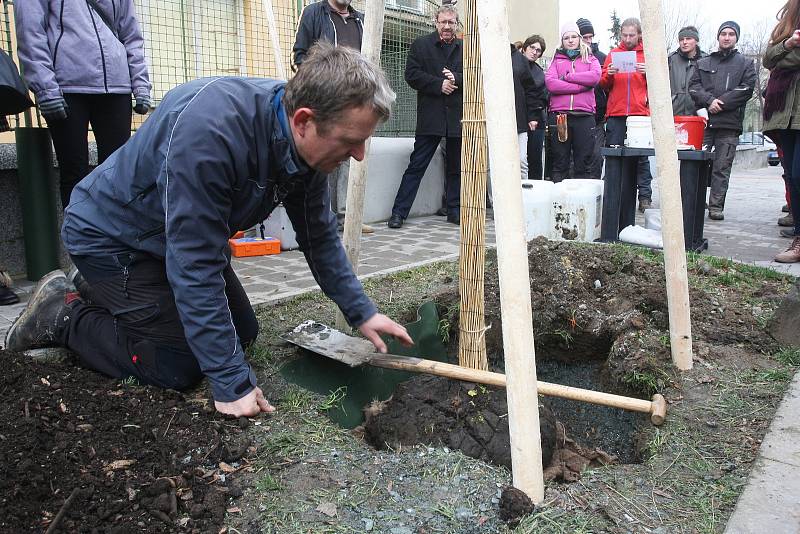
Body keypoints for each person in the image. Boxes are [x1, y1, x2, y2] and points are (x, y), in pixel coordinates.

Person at [4, 43, 413, 417]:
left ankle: (106, 291)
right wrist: (231, 385)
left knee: (242, 333)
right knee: (178, 364)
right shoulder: (211, 137)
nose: (359, 154)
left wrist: (362, 311)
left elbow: (319, 235)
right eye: (352, 141)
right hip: (114, 239)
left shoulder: (301, 136)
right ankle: (63, 314)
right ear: (304, 121)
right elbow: (195, 267)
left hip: (169, 237)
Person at [15, 0, 152, 210]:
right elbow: (31, 32)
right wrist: (46, 88)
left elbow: (131, 34)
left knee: (117, 173)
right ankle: (79, 240)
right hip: (67, 88)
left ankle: (116, 238)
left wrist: (140, 85)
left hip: (117, 88)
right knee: (74, 174)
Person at [292, 0, 373, 234]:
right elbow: (298, 55)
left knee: (350, 157)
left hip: (355, 102)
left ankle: (348, 218)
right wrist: (318, 86)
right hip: (325, 100)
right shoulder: (314, 13)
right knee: (327, 156)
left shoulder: (360, 20)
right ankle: (323, 218)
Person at [388, 5, 463, 228]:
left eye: (451, 22)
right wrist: (438, 84)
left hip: (457, 118)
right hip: (430, 117)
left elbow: (476, 75)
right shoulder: (421, 45)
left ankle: (454, 210)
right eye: (443, 22)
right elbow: (410, 75)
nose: (447, 26)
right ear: (435, 22)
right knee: (417, 166)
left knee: (456, 168)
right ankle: (398, 213)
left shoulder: (465, 48)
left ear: (456, 23)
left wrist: (457, 78)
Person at [689, 21, 756, 221]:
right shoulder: (704, 63)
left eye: (731, 34)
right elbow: (693, 87)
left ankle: (716, 206)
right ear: (718, 37)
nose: (726, 37)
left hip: (729, 125)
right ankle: (696, 202)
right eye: (723, 34)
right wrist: (709, 101)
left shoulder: (745, 63)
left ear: (736, 38)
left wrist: (721, 103)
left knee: (721, 168)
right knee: (697, 166)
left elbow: (747, 88)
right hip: (705, 124)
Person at [601, 17, 653, 212]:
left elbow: (659, 85)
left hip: (640, 113)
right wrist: (610, 73)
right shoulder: (613, 54)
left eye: (632, 35)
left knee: (641, 157)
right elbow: (603, 84)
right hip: (617, 112)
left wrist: (650, 72)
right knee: (614, 155)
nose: (628, 38)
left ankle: (644, 196)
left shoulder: (647, 55)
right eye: (625, 35)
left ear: (639, 34)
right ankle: (613, 194)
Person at [763, 2, 800, 262]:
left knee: (799, 173)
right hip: (786, 114)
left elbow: (779, 63)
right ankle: (799, 238)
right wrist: (788, 45)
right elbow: (768, 59)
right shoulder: (786, 26)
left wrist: (784, 58)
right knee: (793, 177)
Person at [545, 22, 601, 182]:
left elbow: (595, 77)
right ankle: (558, 203)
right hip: (560, 116)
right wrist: (580, 87)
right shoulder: (556, 60)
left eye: (573, 36)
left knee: (583, 163)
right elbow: (551, 84)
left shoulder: (590, 59)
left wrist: (569, 77)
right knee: (559, 162)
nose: (570, 40)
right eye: (566, 37)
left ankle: (581, 203)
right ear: (562, 41)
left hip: (584, 116)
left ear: (580, 38)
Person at [577, 17, 608, 180]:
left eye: (591, 37)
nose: (588, 41)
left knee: (597, 157)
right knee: (579, 158)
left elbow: (608, 87)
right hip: (578, 115)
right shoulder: (572, 58)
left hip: (598, 117)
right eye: (585, 37)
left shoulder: (602, 58)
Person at [511, 43, 541, 180]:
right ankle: (494, 200)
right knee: (491, 163)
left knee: (521, 160)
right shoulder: (486, 54)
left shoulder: (519, 59)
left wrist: (532, 116)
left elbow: (531, 90)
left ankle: (524, 198)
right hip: (493, 121)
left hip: (519, 119)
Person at [521, 35, 549, 180]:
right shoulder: (514, 64)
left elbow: (542, 97)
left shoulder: (539, 72)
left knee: (535, 158)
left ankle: (536, 191)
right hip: (519, 117)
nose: (534, 52)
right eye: (532, 47)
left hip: (537, 119)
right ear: (525, 47)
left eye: (538, 50)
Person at [668, 26, 706, 116]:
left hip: (698, 113)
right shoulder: (670, 59)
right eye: (681, 39)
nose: (684, 42)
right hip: (674, 113)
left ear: (696, 41)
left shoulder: (706, 60)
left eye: (688, 39)